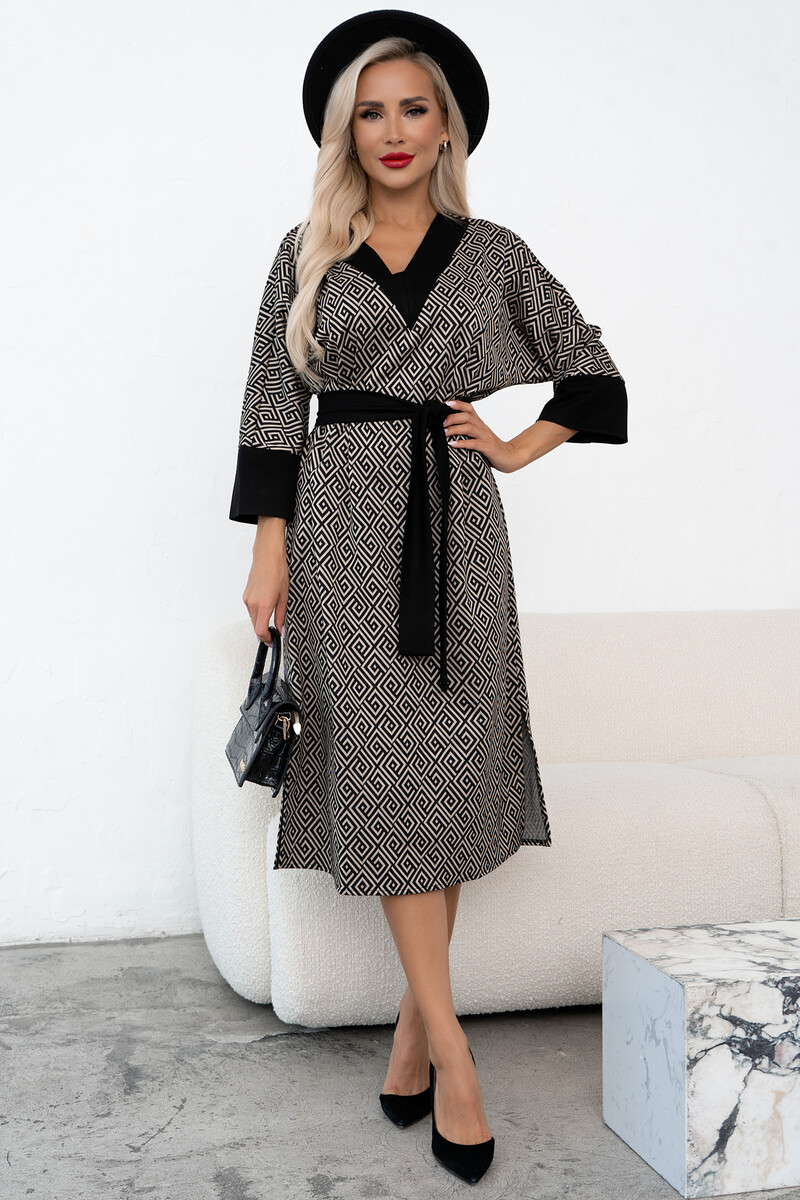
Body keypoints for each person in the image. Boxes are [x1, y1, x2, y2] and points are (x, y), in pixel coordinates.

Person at [229, 9, 628, 1184]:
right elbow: (271, 403)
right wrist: (267, 551)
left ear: (446, 125)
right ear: (344, 130)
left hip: (456, 527)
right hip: (342, 527)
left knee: (445, 768)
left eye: (414, 108)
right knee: (389, 769)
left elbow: (590, 369)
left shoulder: (492, 253)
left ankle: (412, 1030)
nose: (394, 130)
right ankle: (453, 1054)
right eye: (371, 111)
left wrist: (515, 446)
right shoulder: (307, 251)